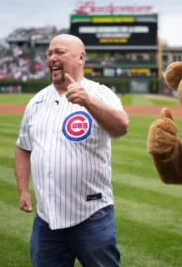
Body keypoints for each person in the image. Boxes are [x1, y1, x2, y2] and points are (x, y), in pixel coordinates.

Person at [14, 34, 129, 267]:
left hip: (92, 217)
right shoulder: (36, 102)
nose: (52, 58)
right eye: (49, 54)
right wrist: (23, 190)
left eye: (59, 52)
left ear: (81, 57)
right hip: (46, 221)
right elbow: (23, 147)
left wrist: (89, 102)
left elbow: (121, 127)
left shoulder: (100, 93)